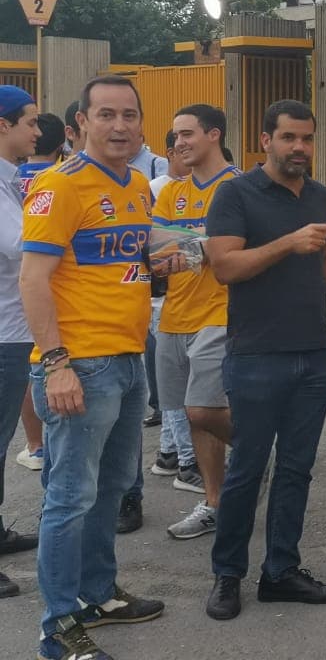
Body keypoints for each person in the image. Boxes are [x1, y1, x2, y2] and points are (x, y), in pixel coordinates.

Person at [202, 99, 326, 621]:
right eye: (289, 138)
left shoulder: (320, 195)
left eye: (307, 139)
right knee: (247, 469)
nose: (300, 148)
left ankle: (280, 572)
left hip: (314, 355)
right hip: (256, 356)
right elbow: (225, 267)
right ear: (265, 140)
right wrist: (287, 243)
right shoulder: (235, 194)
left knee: (297, 470)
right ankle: (227, 575)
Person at [21, 75, 165, 660]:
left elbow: (123, 265)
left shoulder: (136, 183)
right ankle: (59, 628)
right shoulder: (59, 186)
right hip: (80, 364)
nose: (120, 126)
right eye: (106, 115)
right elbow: (33, 279)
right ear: (80, 122)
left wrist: (160, 264)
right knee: (69, 498)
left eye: (129, 115)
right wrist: (57, 366)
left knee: (110, 490)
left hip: (129, 360)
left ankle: (98, 594)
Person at [153, 106, 241, 541]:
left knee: (201, 408)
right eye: (174, 136)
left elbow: (230, 252)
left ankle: (255, 451)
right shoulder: (172, 191)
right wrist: (204, 245)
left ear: (213, 134)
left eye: (186, 134)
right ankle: (215, 502)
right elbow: (153, 250)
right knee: (192, 417)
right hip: (173, 316)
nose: (178, 143)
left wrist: (189, 246)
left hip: (221, 314)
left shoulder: (240, 187)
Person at [0, 87, 41, 599]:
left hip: (12, 333)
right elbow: (23, 244)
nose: (37, 131)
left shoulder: (11, 180)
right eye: (30, 122)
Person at [144, 128, 198, 494]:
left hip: (171, 301)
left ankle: (167, 454)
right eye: (179, 142)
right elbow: (160, 249)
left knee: (171, 386)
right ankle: (187, 462)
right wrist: (205, 247)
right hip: (165, 300)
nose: (183, 149)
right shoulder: (162, 188)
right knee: (178, 390)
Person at [14, 111, 62, 474]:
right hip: (49, 296)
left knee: (34, 371)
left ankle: (35, 445)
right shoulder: (61, 181)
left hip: (18, 299)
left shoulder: (16, 179)